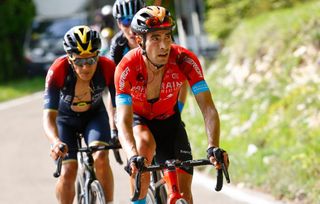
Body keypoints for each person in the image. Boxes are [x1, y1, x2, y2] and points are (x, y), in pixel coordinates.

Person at [114, 6, 229, 204]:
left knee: (183, 194)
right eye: (156, 38)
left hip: (170, 121)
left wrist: (213, 147)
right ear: (140, 41)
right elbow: (122, 120)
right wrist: (132, 156)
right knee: (143, 146)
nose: (164, 45)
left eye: (167, 36)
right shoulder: (127, 66)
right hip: (139, 121)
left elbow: (208, 108)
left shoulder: (184, 59)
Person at [43, 25, 117, 204]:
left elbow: (118, 107)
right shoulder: (58, 70)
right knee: (69, 171)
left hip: (94, 117)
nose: (85, 67)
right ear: (70, 59)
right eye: (79, 62)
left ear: (98, 55)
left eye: (91, 60)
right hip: (65, 120)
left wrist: (117, 131)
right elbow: (48, 116)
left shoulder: (108, 67)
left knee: (100, 156)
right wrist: (55, 142)